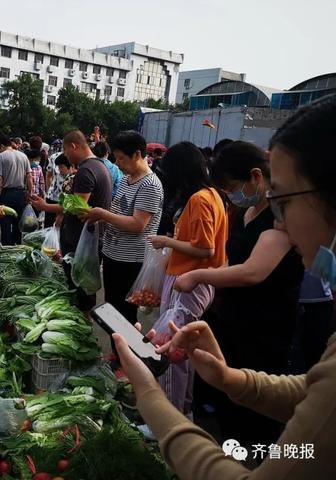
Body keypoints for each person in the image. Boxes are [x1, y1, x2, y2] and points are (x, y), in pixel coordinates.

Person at [112, 93, 336, 480]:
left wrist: (148, 393)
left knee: (249, 436)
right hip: (240, 327)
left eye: (282, 200)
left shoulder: (216, 206)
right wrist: (228, 377)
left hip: (263, 328)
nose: (279, 222)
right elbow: (313, 393)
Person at [174, 141, 304, 447]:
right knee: (229, 394)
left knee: (255, 403)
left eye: (232, 186)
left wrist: (198, 275)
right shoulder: (246, 211)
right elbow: (233, 261)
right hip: (234, 318)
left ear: (256, 177)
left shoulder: (280, 218)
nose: (231, 194)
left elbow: (252, 272)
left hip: (265, 325)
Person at [147, 142, 227, 414]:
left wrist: (165, 241)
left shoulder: (200, 199)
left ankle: (171, 415)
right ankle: (184, 408)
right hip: (189, 279)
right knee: (184, 350)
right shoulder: (213, 195)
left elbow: (206, 249)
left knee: (172, 351)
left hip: (189, 281)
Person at [83, 131, 164, 324]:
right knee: (112, 309)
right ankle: (116, 352)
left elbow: (138, 224)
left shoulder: (150, 185)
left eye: (120, 158)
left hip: (130, 261)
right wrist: (99, 218)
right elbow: (119, 213)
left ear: (136, 154)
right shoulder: (127, 180)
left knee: (124, 314)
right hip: (113, 255)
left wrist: (103, 214)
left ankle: (124, 353)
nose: (117, 163)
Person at [32, 130, 112, 311]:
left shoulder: (85, 171)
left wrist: (45, 207)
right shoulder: (101, 166)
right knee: (85, 289)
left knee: (80, 291)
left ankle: (83, 326)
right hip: (91, 239)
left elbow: (77, 207)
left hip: (82, 241)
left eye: (67, 152)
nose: (67, 157)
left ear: (73, 146)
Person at [0, 134, 34, 245]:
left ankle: (6, 249)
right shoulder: (23, 156)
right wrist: (30, 193)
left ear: (1, 146)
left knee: (5, 224)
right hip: (21, 194)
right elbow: (29, 177)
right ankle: (17, 247)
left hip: (7, 194)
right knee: (18, 224)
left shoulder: (1, 156)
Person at [44, 153, 72, 228]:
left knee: (57, 226)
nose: (59, 170)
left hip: (62, 198)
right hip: (56, 197)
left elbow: (48, 175)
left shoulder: (54, 156)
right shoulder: (54, 157)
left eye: (61, 167)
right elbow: (49, 175)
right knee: (52, 226)